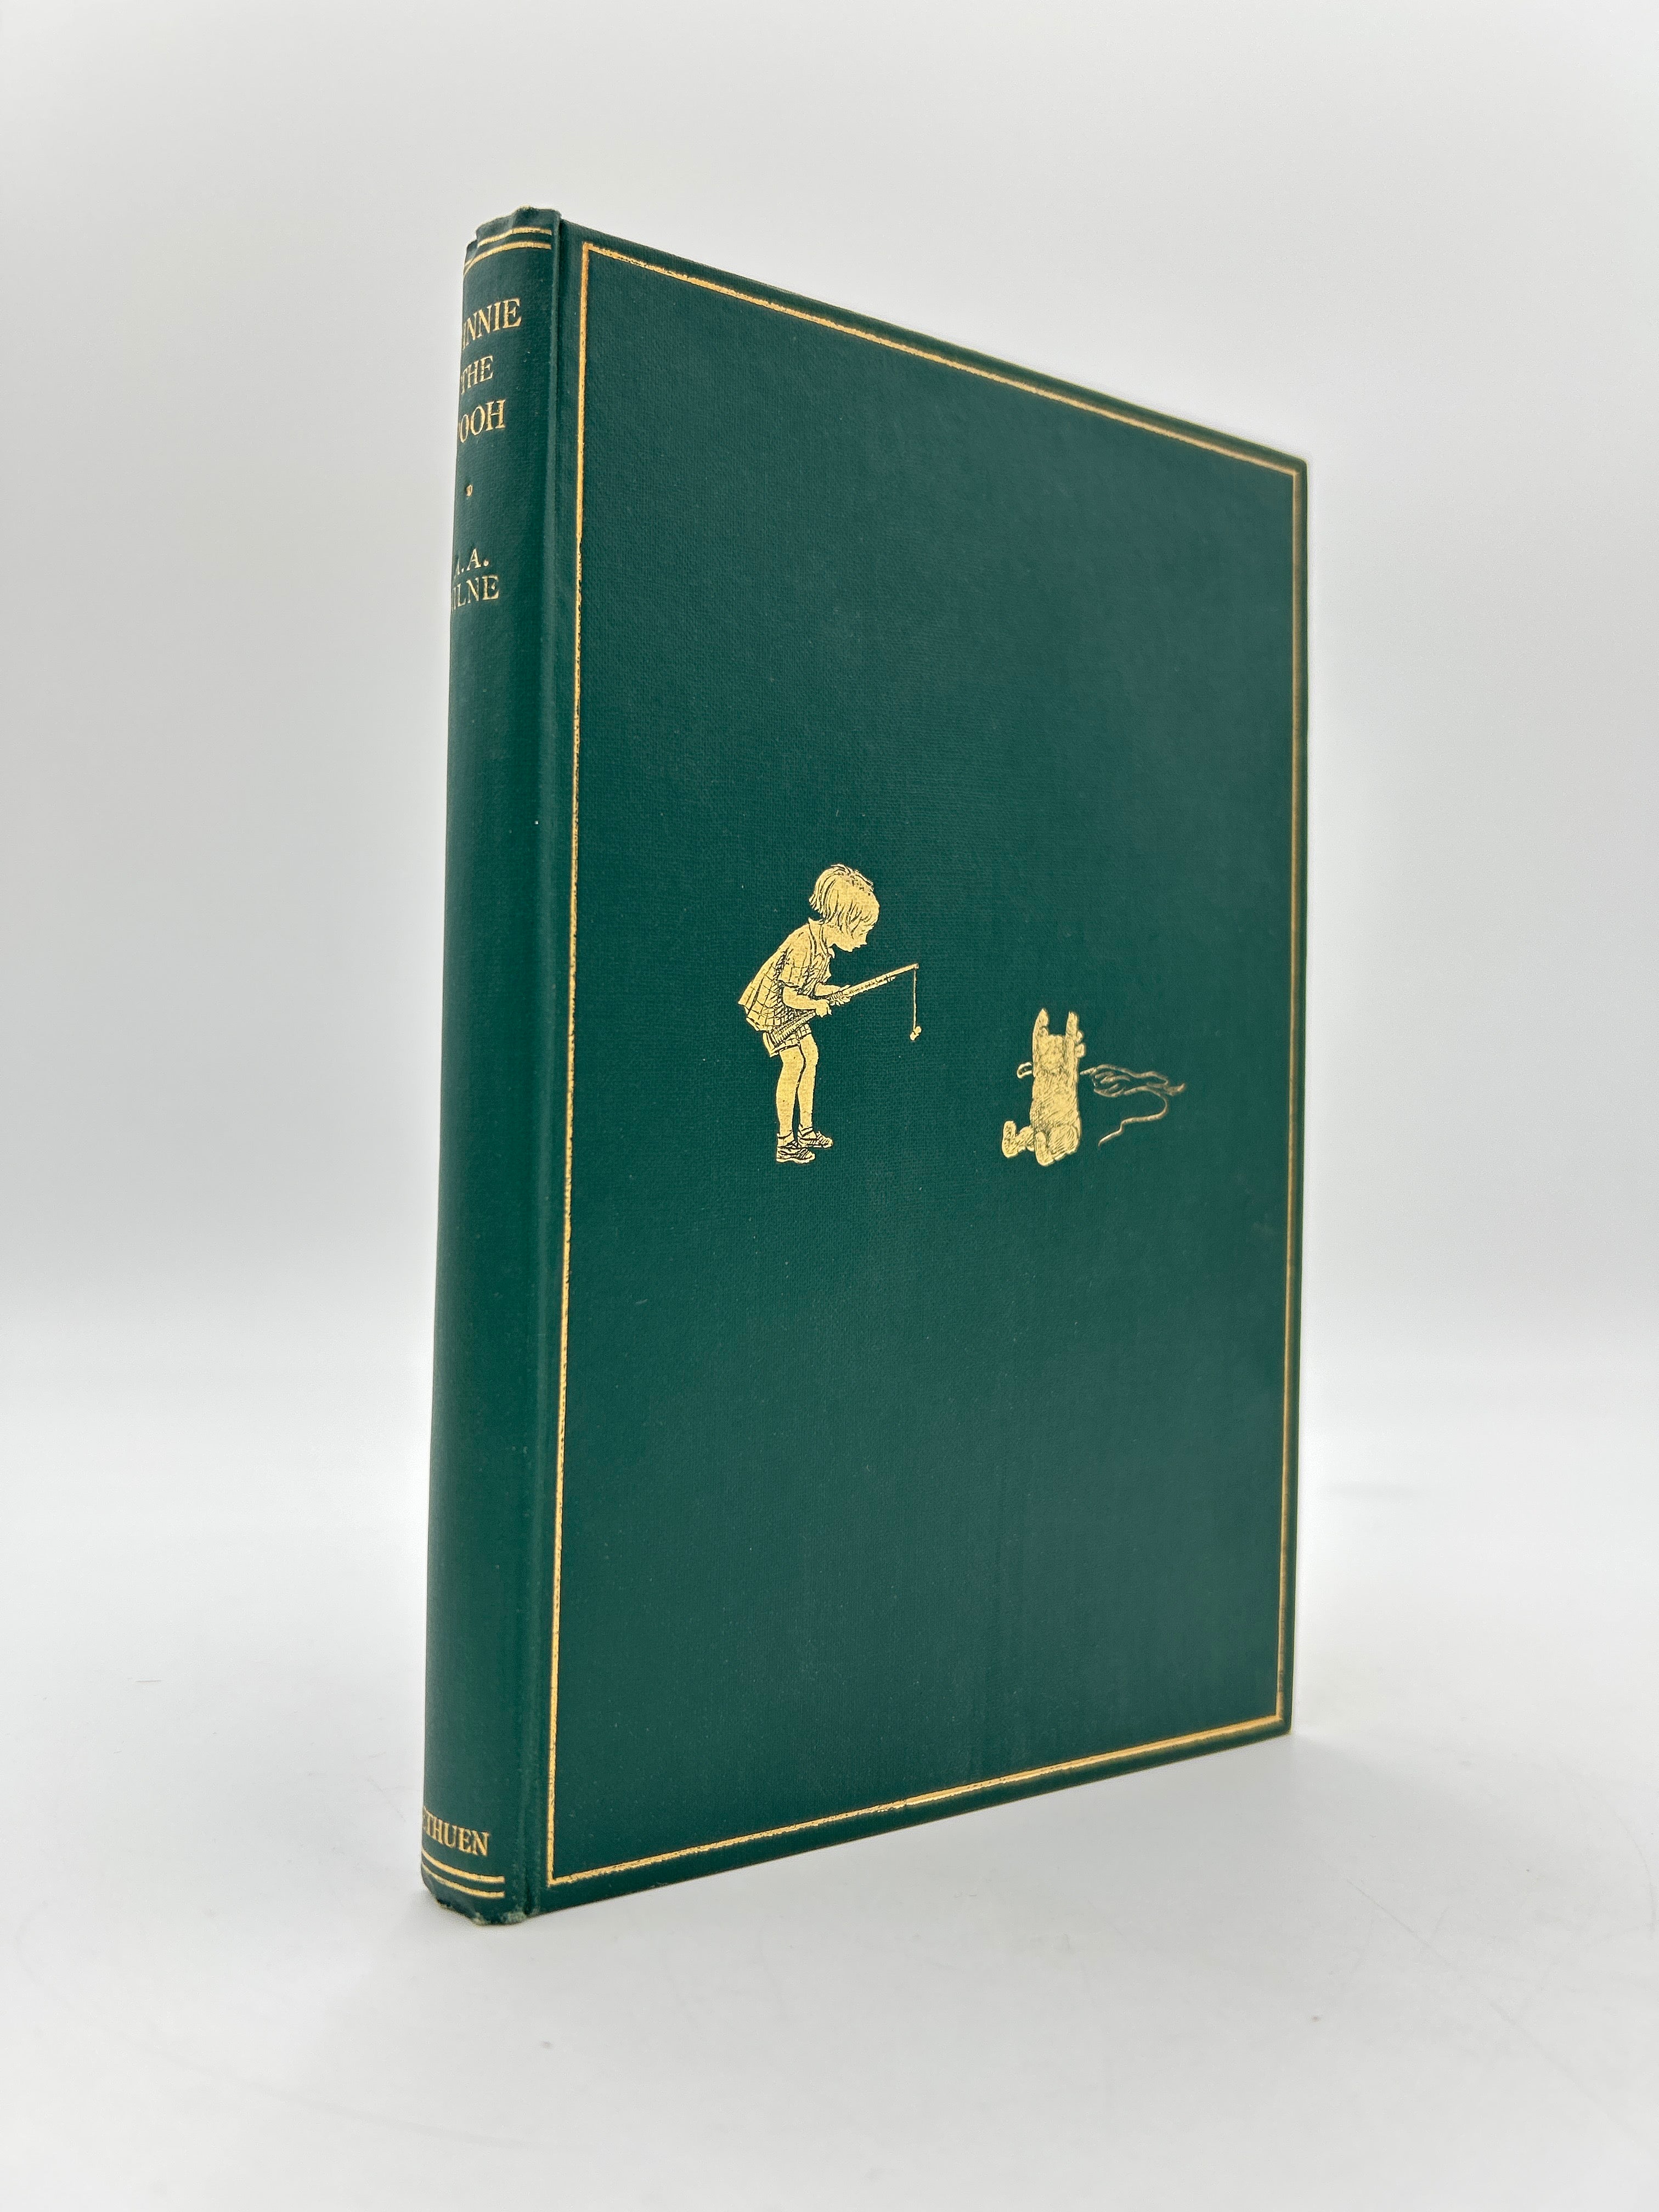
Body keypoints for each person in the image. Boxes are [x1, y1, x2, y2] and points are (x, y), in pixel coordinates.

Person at [738, 865, 878, 1163]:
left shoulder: (824, 946)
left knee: (810, 1056)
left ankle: (806, 1130)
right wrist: (816, 1005)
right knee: (794, 1063)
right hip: (776, 1011)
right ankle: (785, 1141)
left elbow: (811, 986)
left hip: (794, 1010)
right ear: (844, 922)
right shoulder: (804, 943)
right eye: (862, 932)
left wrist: (833, 992)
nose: (865, 941)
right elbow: (789, 996)